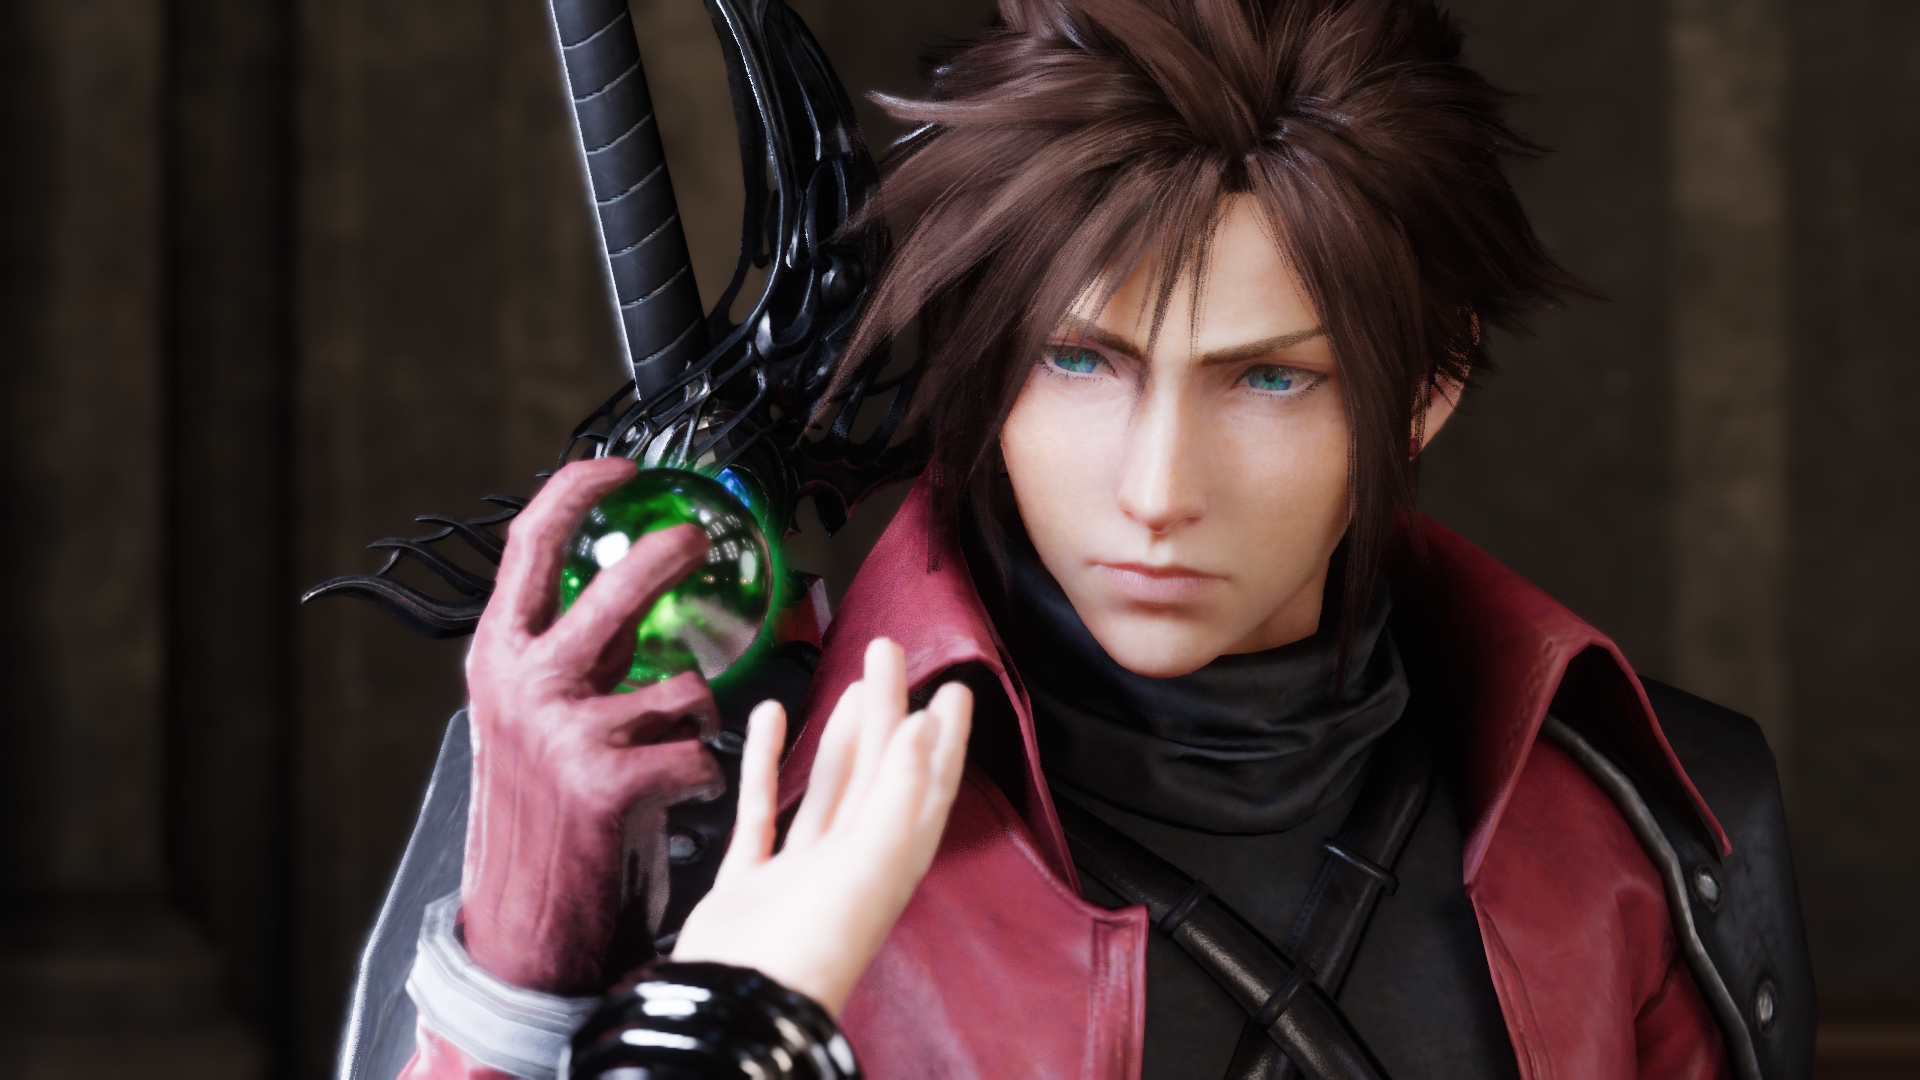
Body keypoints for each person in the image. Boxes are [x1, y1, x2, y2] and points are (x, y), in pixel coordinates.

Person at [365, 0, 1814, 1077]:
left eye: (1267, 378)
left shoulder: (1647, 821)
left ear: (1426, 386)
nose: (1157, 488)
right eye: (1079, 361)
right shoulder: (662, 786)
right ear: (987, 365)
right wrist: (530, 962)